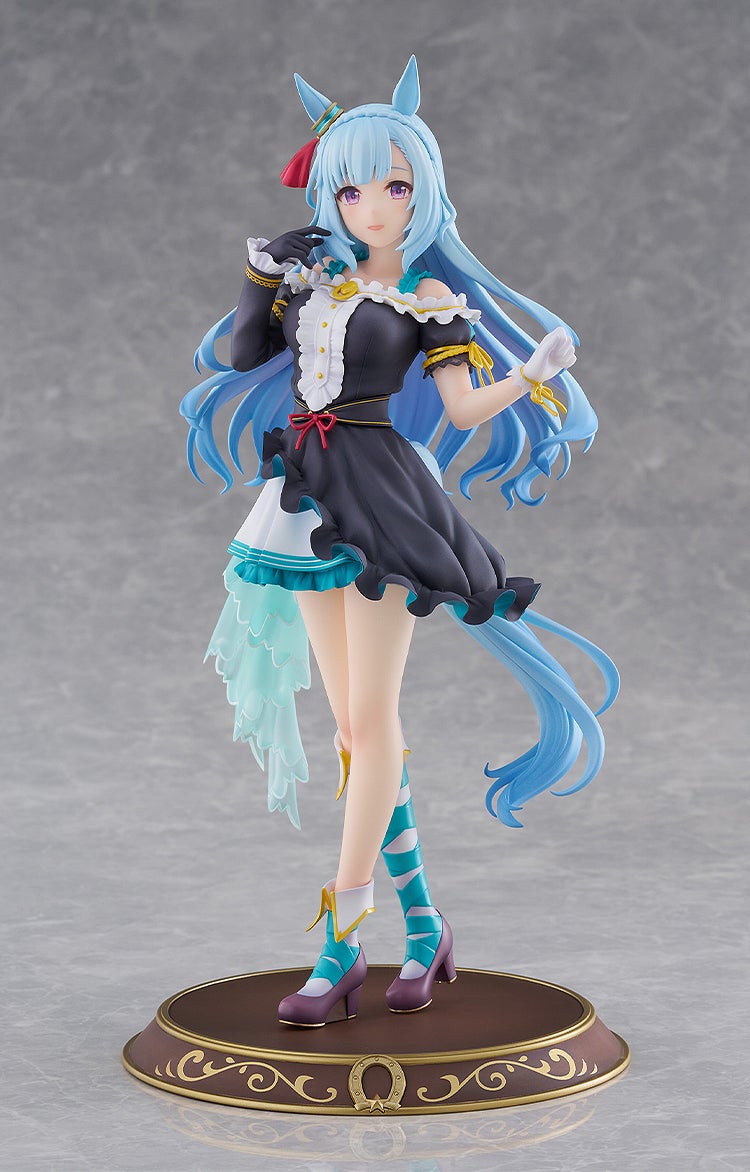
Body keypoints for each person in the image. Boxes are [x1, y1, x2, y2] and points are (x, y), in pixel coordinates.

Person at [180, 57, 618, 1027]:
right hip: (304, 491)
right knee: (352, 730)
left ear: (424, 193)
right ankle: (426, 924)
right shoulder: (314, 282)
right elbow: (248, 352)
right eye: (351, 189)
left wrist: (532, 376)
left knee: (372, 722)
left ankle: (344, 936)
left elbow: (459, 407)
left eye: (393, 187)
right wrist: (262, 273)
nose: (372, 207)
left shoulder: (430, 302)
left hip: (381, 494)